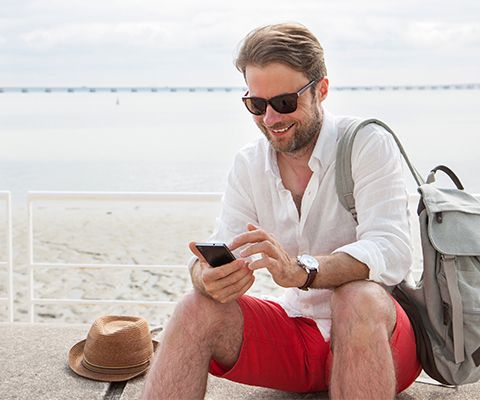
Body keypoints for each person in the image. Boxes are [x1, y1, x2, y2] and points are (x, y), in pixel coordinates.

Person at [142, 23, 421, 399]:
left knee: (356, 296)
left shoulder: (366, 143)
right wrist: (205, 276)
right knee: (195, 307)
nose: (271, 118)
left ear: (321, 90)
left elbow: (392, 249)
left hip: (379, 339)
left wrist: (302, 270)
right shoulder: (248, 165)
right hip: (298, 336)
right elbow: (224, 245)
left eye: (285, 102)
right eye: (257, 105)